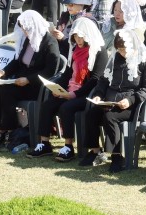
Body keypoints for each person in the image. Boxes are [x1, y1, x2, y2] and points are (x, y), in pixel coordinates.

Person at [81, 27, 146, 172]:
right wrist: (99, 94)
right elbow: (104, 80)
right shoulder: (116, 58)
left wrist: (130, 100)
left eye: (124, 50)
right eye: (119, 50)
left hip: (134, 105)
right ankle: (95, 152)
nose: (122, 53)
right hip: (111, 101)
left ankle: (117, 156)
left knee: (110, 116)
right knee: (91, 114)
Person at [27, 18, 109, 162]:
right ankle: (44, 143)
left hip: (88, 93)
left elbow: (95, 79)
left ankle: (68, 146)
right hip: (72, 89)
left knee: (66, 107)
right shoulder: (75, 49)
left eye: (80, 36)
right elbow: (67, 74)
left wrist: (74, 94)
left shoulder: (100, 51)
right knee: (47, 104)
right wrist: (56, 87)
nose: (77, 39)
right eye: (75, 36)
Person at [0, 11, 62, 148]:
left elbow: (50, 71)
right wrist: (3, 71)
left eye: (26, 28)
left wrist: (28, 79)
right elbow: (18, 62)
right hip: (22, 81)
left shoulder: (49, 43)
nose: (24, 31)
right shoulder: (28, 39)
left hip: (37, 85)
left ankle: (10, 129)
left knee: (7, 91)